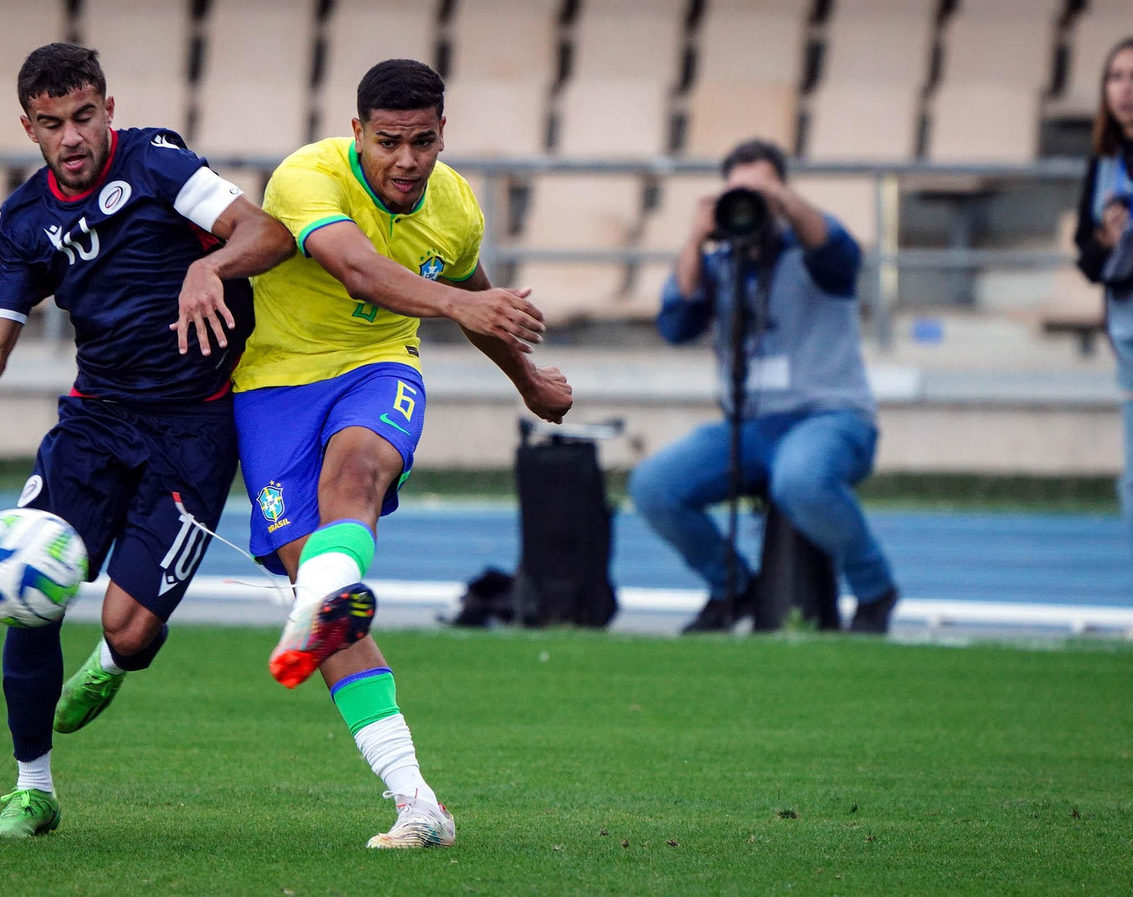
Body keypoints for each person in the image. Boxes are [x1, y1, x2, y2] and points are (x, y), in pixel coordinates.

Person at [0, 43, 295, 838]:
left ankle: (112, 664)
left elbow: (264, 233)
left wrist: (212, 269)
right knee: (28, 597)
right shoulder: (26, 221)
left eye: (83, 116)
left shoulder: (158, 162)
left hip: (194, 431)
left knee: (128, 630)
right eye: (51, 123)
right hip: (94, 425)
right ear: (29, 128)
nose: (71, 136)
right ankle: (32, 787)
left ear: (108, 107)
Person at [232, 58, 573, 849]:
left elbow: (472, 284)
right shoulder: (307, 177)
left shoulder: (453, 204)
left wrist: (525, 378)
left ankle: (320, 596)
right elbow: (357, 267)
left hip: (379, 368)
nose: (407, 160)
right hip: (275, 386)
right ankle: (419, 801)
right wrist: (464, 303)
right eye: (389, 141)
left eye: (424, 141)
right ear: (358, 133)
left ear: (443, 133)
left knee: (354, 473)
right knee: (326, 607)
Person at [627, 139, 899, 635]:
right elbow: (675, 324)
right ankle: (733, 587)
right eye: (739, 191)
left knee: (800, 480)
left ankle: (875, 591)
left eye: (762, 189)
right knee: (654, 486)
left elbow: (842, 252)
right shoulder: (720, 263)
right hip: (748, 429)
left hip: (830, 418)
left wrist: (779, 200)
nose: (750, 201)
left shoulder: (814, 251)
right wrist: (695, 240)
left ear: (783, 191)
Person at [1073, 36, 1133, 637]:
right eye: (1116, 77)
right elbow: (1085, 257)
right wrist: (1109, 240)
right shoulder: (1104, 160)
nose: (1126, 89)